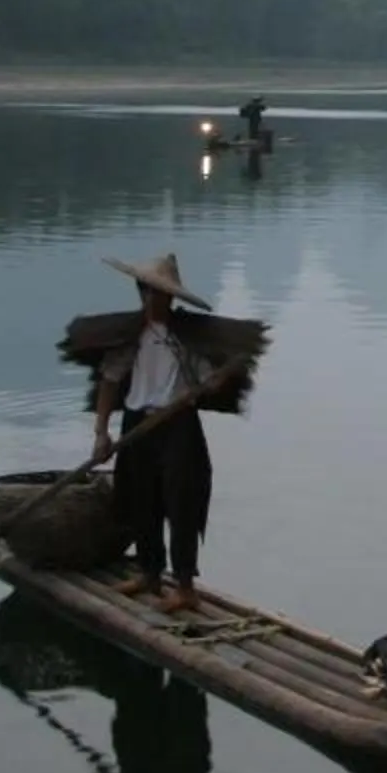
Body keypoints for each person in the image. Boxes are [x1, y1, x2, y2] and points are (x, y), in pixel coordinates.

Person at [74, 252, 270, 613]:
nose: (150, 299)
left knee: (181, 502)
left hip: (178, 424)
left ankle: (184, 586)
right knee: (140, 500)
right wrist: (101, 432)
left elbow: (206, 381)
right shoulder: (129, 336)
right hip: (137, 423)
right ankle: (149, 573)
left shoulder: (185, 337)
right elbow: (110, 381)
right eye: (145, 292)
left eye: (157, 294)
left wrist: (217, 380)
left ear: (170, 298)